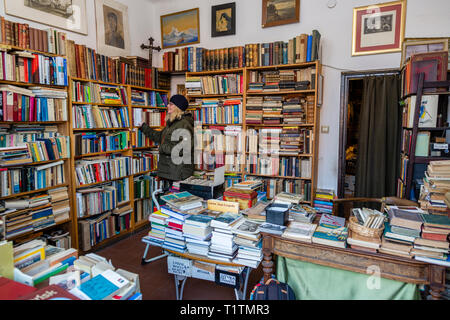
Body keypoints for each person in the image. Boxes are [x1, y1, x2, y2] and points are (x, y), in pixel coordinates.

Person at [139, 94, 194, 188]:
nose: (168, 106)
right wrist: (143, 127)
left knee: (174, 199)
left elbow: (182, 149)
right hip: (170, 170)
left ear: (178, 107)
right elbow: (159, 137)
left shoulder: (183, 124)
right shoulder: (173, 123)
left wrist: (162, 148)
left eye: (171, 104)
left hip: (178, 172)